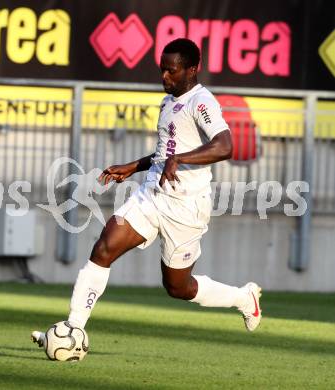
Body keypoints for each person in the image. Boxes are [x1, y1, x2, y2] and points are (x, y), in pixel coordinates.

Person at [32, 38, 261, 348]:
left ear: (193, 69)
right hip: (151, 195)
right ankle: (73, 329)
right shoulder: (168, 103)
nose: (164, 77)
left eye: (172, 71)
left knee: (177, 287)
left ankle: (243, 298)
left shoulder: (201, 102)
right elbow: (165, 153)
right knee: (104, 248)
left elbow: (225, 146)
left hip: (186, 207)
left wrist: (180, 160)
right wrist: (133, 167)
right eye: (162, 70)